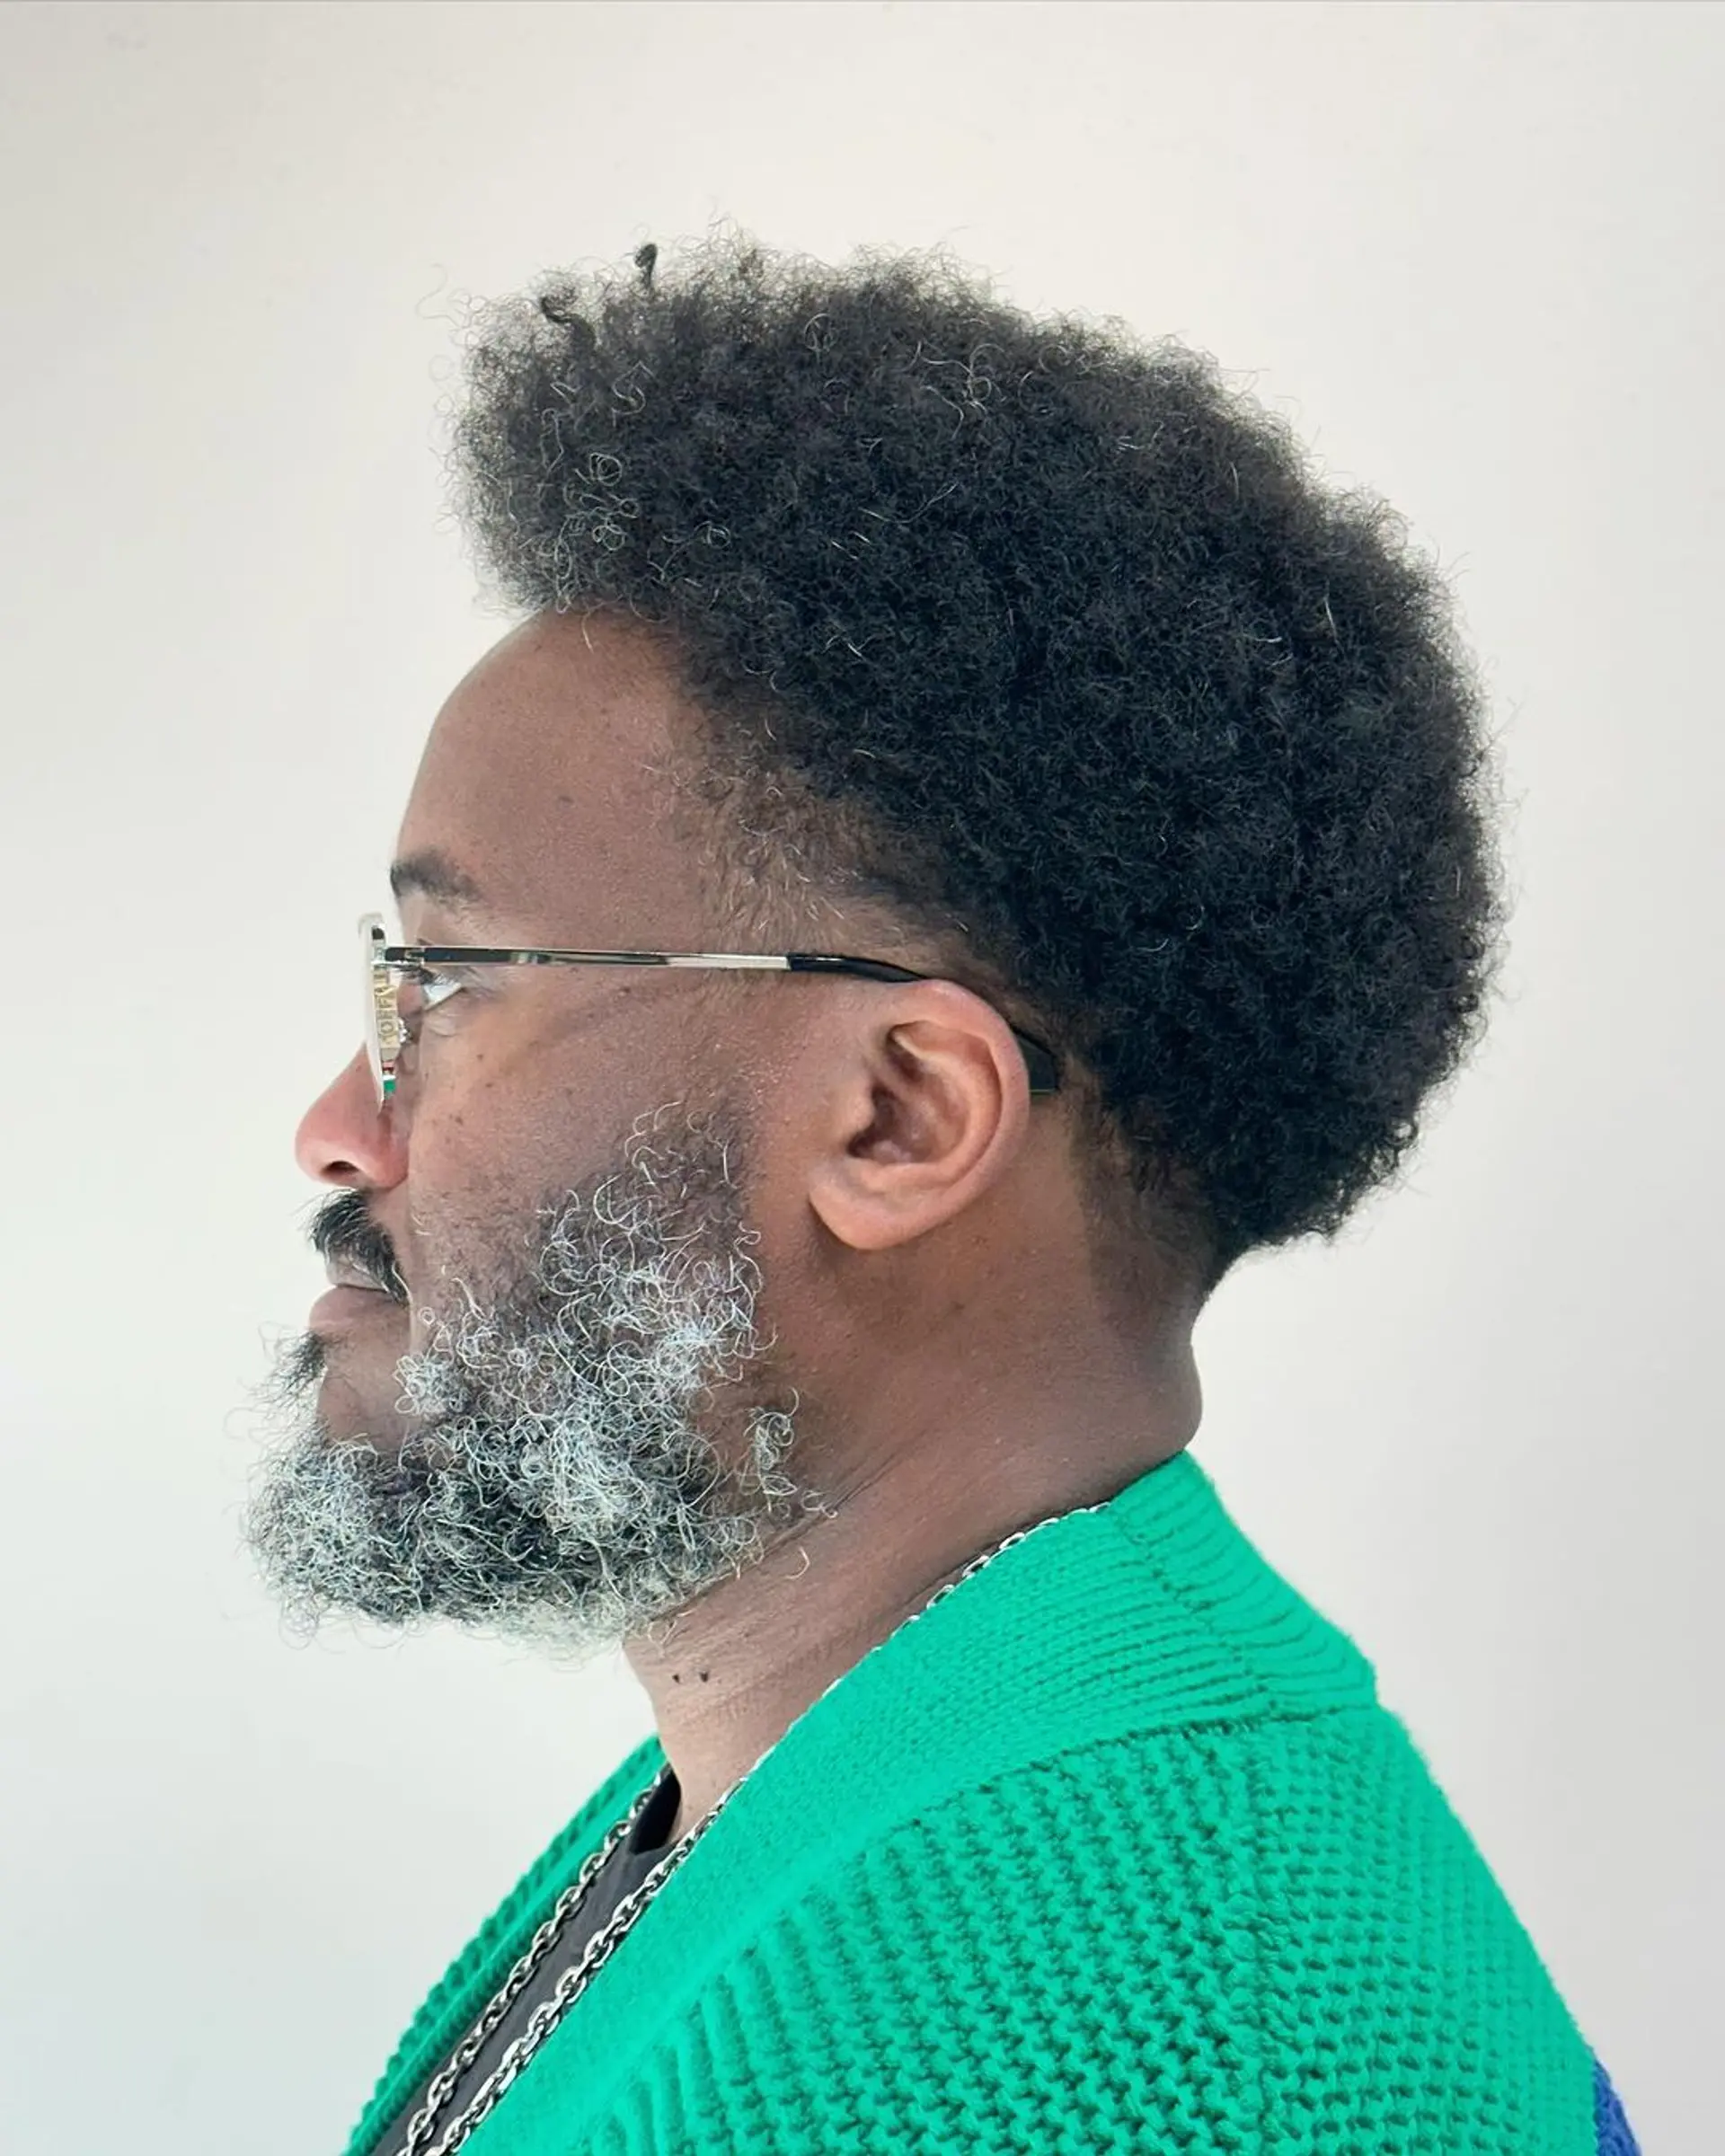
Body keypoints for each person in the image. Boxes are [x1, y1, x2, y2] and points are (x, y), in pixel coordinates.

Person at [246, 234, 1638, 2155]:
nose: (338, 1127)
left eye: (451, 985)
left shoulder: (1129, 2039)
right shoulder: (882, 1793)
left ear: (900, 1118)